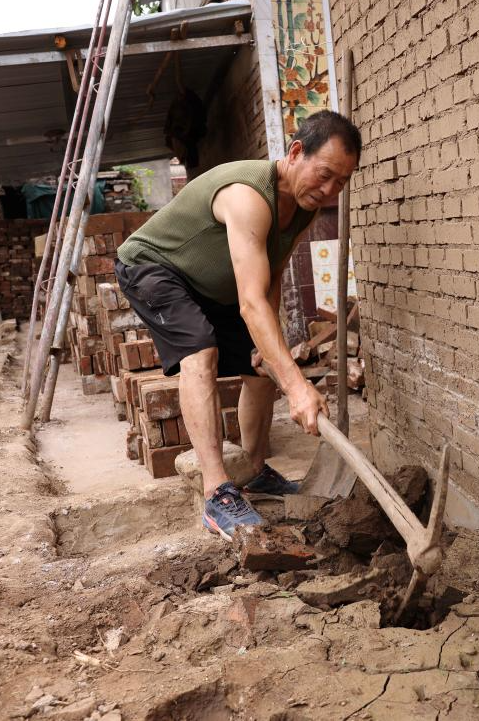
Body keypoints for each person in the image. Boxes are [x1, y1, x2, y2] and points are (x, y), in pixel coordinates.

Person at [114, 110, 361, 541]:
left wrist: (271, 352)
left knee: (261, 368)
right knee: (200, 352)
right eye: (325, 175)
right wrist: (297, 386)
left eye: (341, 182)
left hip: (210, 284)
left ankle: (252, 469)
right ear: (296, 153)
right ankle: (218, 494)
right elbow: (249, 302)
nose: (329, 191)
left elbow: (269, 281)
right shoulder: (248, 196)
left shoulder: (301, 207)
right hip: (153, 268)